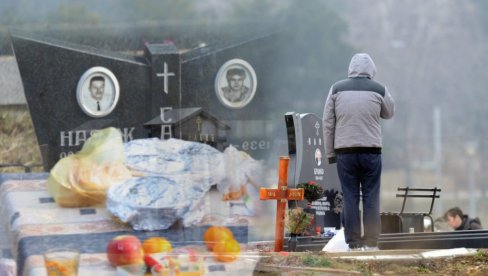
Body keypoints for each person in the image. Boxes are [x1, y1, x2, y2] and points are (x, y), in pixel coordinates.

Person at [322, 53, 395, 250]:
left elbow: (328, 123)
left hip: (345, 152)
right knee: (371, 195)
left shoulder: (336, 89)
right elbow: (389, 112)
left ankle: (353, 243)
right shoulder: (379, 88)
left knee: (350, 196)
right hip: (371, 152)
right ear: (371, 70)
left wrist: (330, 153)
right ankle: (371, 243)